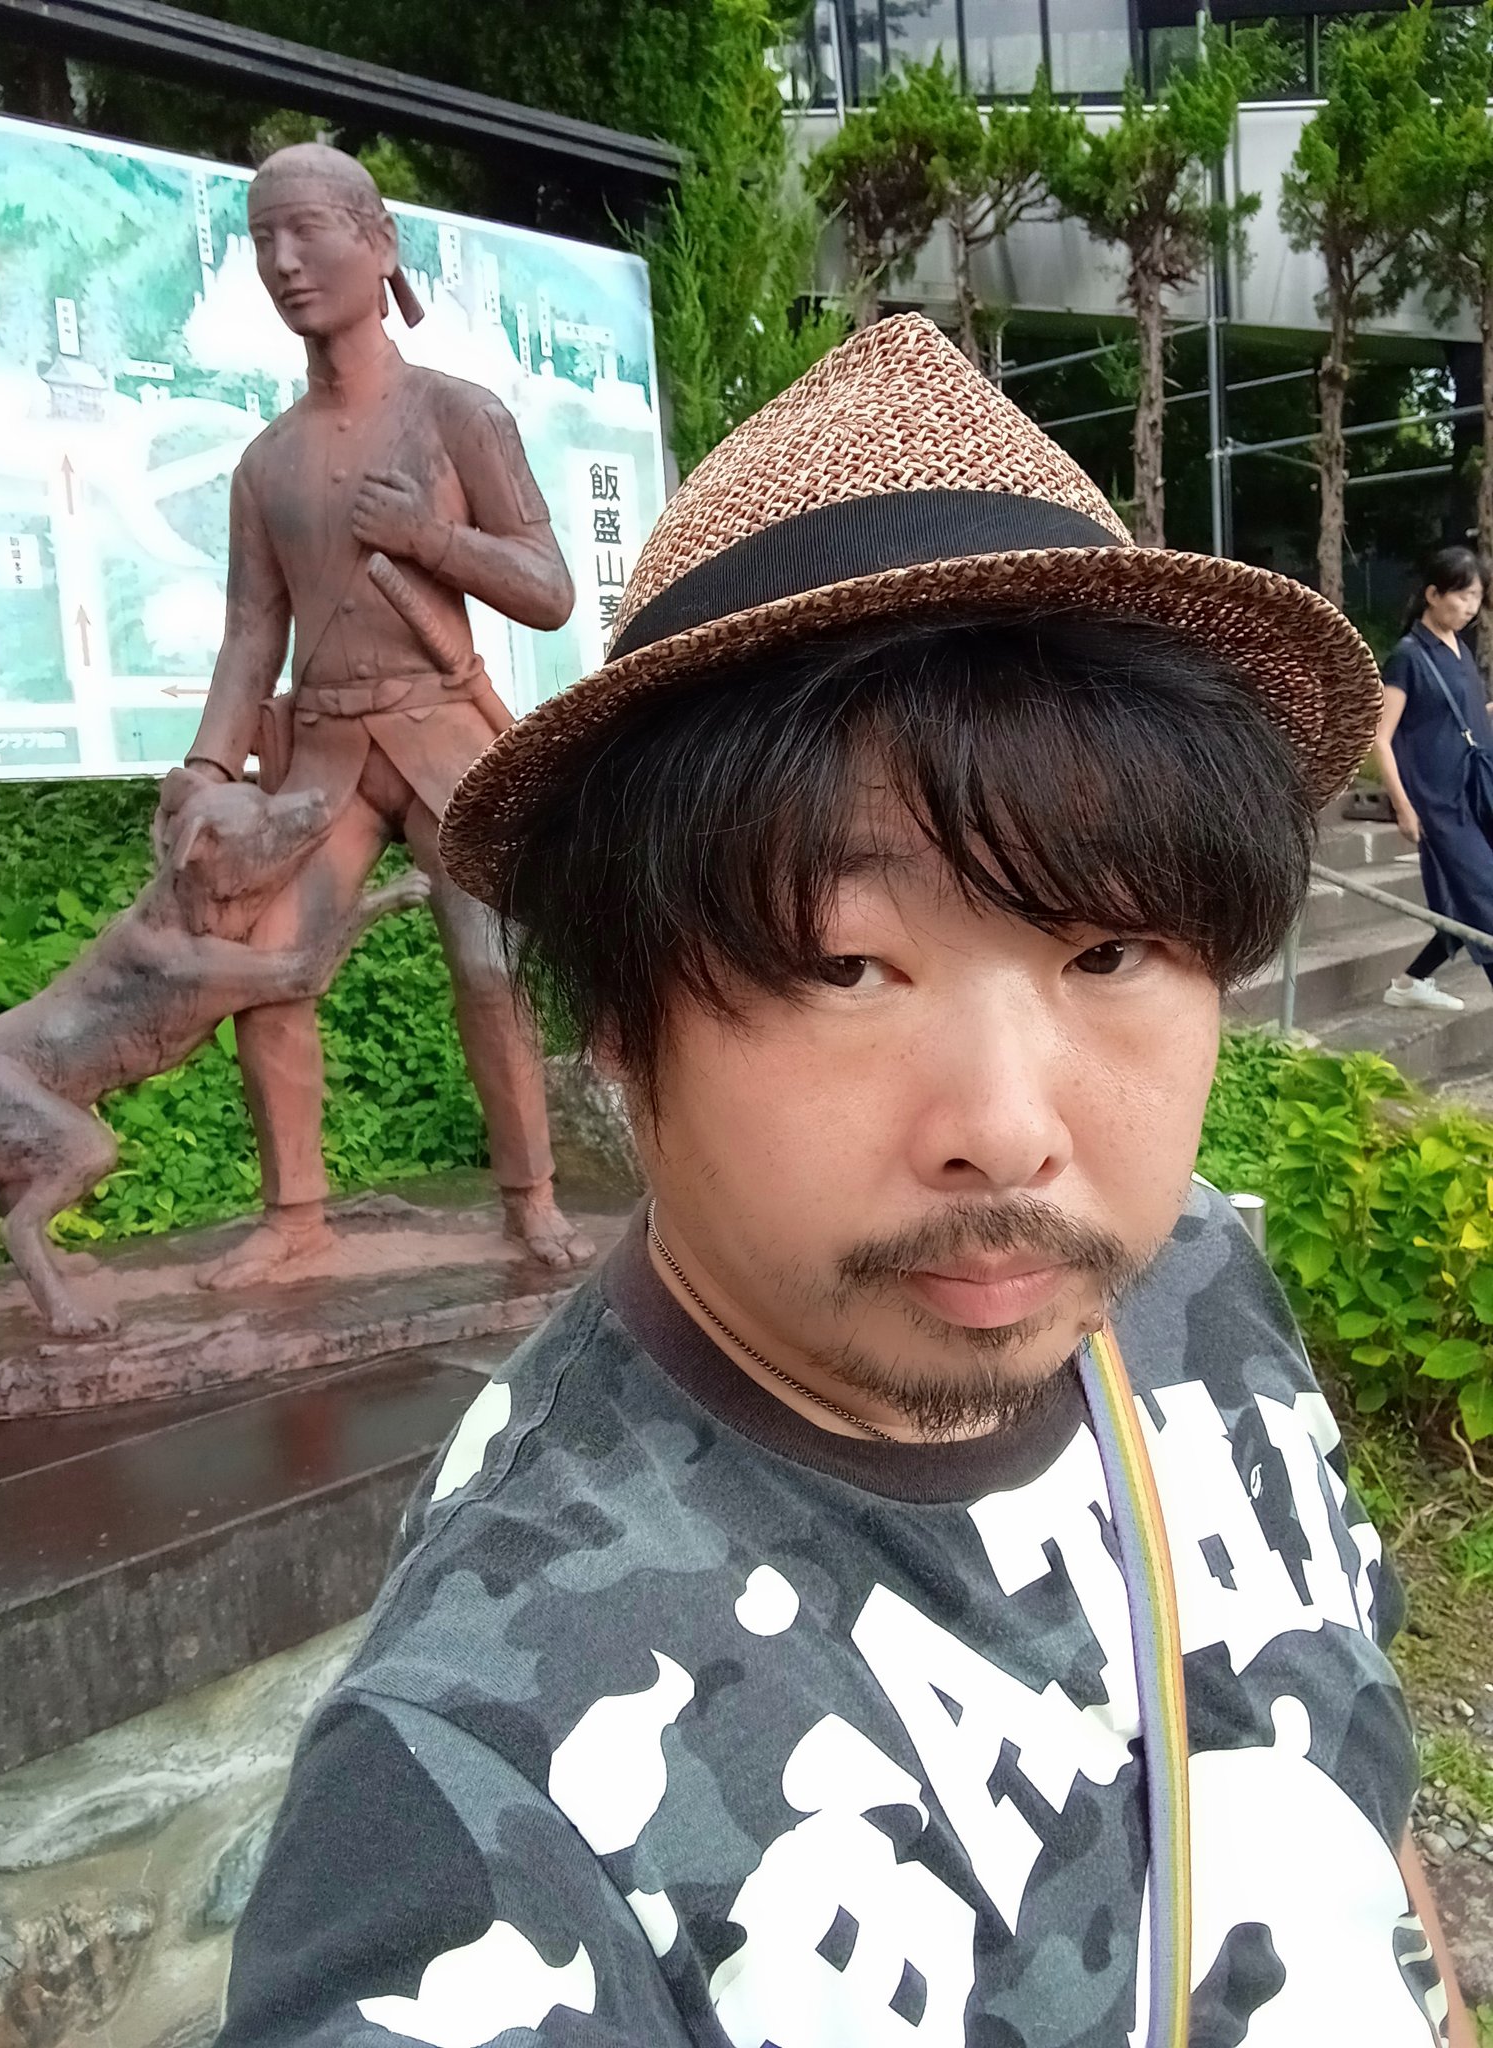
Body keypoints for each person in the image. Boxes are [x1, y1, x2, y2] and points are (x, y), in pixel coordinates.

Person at [215, 317, 1471, 2047]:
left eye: (1111, 950)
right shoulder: (486, 1782)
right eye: (841, 964)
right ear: (621, 1023)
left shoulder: (1184, 1270)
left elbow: (1347, 1769)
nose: (1008, 1132)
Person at [178, 143, 593, 1286]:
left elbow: (548, 589)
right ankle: (295, 1215)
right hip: (325, 758)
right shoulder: (266, 462)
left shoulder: (459, 415)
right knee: (270, 964)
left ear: (379, 244)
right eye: (262, 238)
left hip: (446, 734)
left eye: (307, 230)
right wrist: (208, 768)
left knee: (491, 964)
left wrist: (430, 538)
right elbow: (251, 634)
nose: (283, 260)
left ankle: (532, 1198)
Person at [1376, 543, 1493, 1014]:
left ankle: (1408, 983)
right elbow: (1380, 737)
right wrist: (1403, 806)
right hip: (1440, 804)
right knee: (1484, 898)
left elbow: (1467, 718)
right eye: (1462, 595)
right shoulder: (1408, 656)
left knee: (1461, 906)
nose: (1470, 607)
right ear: (1432, 594)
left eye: (1477, 597)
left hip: (1477, 791)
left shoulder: (1459, 649)